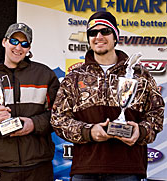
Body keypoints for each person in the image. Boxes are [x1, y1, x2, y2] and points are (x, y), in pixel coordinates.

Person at [51, 11, 164, 180]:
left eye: (105, 31)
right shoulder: (74, 77)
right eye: (92, 33)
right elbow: (58, 120)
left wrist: (140, 132)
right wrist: (88, 132)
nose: (99, 36)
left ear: (115, 36)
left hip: (128, 169)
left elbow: (156, 115)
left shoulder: (140, 75)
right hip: (85, 169)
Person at [0, 23, 60, 181]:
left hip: (38, 167)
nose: (18, 47)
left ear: (29, 48)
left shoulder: (45, 75)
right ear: (4, 42)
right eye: (14, 41)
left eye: (24, 44)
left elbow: (58, 117)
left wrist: (34, 124)